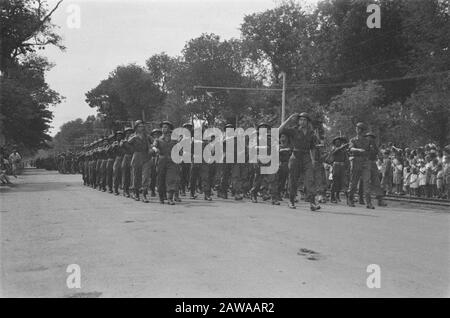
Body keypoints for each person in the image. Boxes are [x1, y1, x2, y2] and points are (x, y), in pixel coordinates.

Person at [280, 112, 320, 211]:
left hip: (306, 157)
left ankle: (312, 203)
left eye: (304, 120)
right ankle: (291, 200)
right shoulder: (294, 130)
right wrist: (289, 119)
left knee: (310, 179)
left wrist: (313, 160)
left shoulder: (311, 133)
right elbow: (279, 130)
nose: (302, 121)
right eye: (300, 120)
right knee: (293, 180)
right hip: (295, 156)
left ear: (308, 122)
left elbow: (313, 148)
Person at [347, 122, 374, 209]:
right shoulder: (353, 140)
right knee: (354, 182)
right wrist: (358, 150)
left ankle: (368, 202)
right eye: (357, 128)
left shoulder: (368, 140)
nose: (358, 130)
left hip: (365, 162)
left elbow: (372, 150)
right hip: (356, 161)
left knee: (367, 182)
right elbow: (351, 148)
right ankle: (350, 199)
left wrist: (372, 150)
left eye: (359, 129)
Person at [153, 121, 180, 205]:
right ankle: (161, 197)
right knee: (160, 179)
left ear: (169, 129)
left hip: (172, 161)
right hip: (161, 160)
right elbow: (154, 146)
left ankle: (170, 198)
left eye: (166, 127)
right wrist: (155, 149)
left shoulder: (174, 140)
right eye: (163, 127)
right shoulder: (158, 139)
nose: (164, 128)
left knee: (171, 179)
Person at [328, 136, 349, 203]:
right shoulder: (334, 149)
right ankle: (332, 197)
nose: (338, 143)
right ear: (335, 143)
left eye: (339, 142)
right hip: (336, 166)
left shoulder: (343, 150)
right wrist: (341, 147)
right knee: (334, 182)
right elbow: (333, 153)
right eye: (337, 142)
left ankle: (345, 198)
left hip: (342, 166)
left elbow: (346, 158)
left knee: (343, 182)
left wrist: (347, 166)